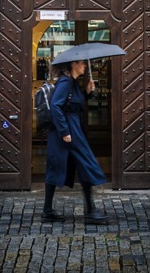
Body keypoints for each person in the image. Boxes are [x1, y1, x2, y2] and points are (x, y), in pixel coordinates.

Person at [41, 59, 108, 224]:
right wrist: (64, 131)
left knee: (80, 164)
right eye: (82, 63)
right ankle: (50, 211)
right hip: (67, 130)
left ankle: (88, 210)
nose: (85, 66)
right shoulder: (65, 82)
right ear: (74, 65)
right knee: (73, 164)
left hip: (73, 129)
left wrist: (87, 92)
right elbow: (56, 106)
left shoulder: (72, 82)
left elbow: (74, 105)